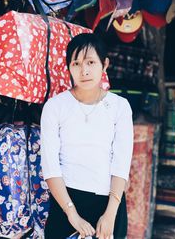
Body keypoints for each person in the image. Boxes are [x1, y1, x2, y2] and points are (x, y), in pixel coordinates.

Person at [40, 33, 134, 239]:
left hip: (108, 203)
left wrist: (110, 215)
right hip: (66, 201)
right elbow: (50, 165)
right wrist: (72, 214)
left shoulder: (119, 107)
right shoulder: (55, 107)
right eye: (76, 63)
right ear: (69, 68)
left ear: (105, 64)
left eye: (91, 62)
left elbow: (121, 163)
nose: (84, 70)